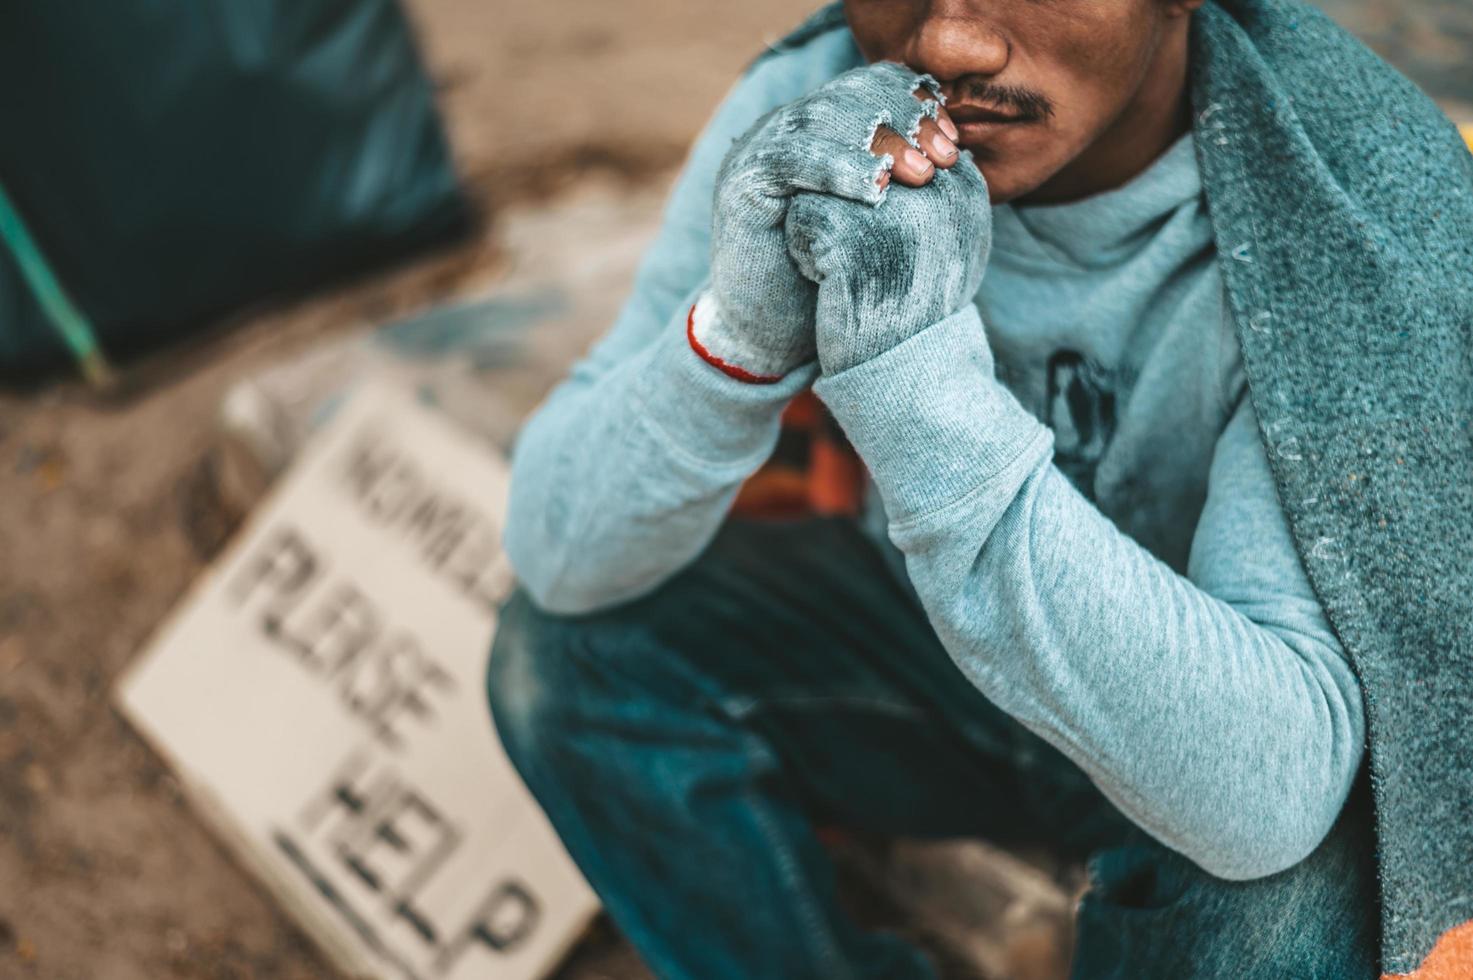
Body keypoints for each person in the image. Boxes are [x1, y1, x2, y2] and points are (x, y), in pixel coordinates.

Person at [486, 1, 1473, 976]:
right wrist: (736, 335)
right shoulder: (821, 107)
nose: (950, 40)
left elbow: (1271, 795)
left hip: (1192, 721)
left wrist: (913, 373)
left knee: (1294, 875)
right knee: (567, 656)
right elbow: (558, 551)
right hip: (940, 669)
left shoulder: (1346, 214)